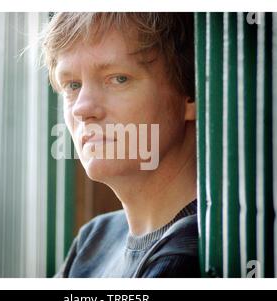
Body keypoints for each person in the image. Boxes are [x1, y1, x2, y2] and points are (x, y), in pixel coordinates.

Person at [42, 13, 199, 277]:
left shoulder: (186, 256)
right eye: (72, 85)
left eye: (118, 79)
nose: (82, 108)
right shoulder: (94, 240)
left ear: (191, 95)